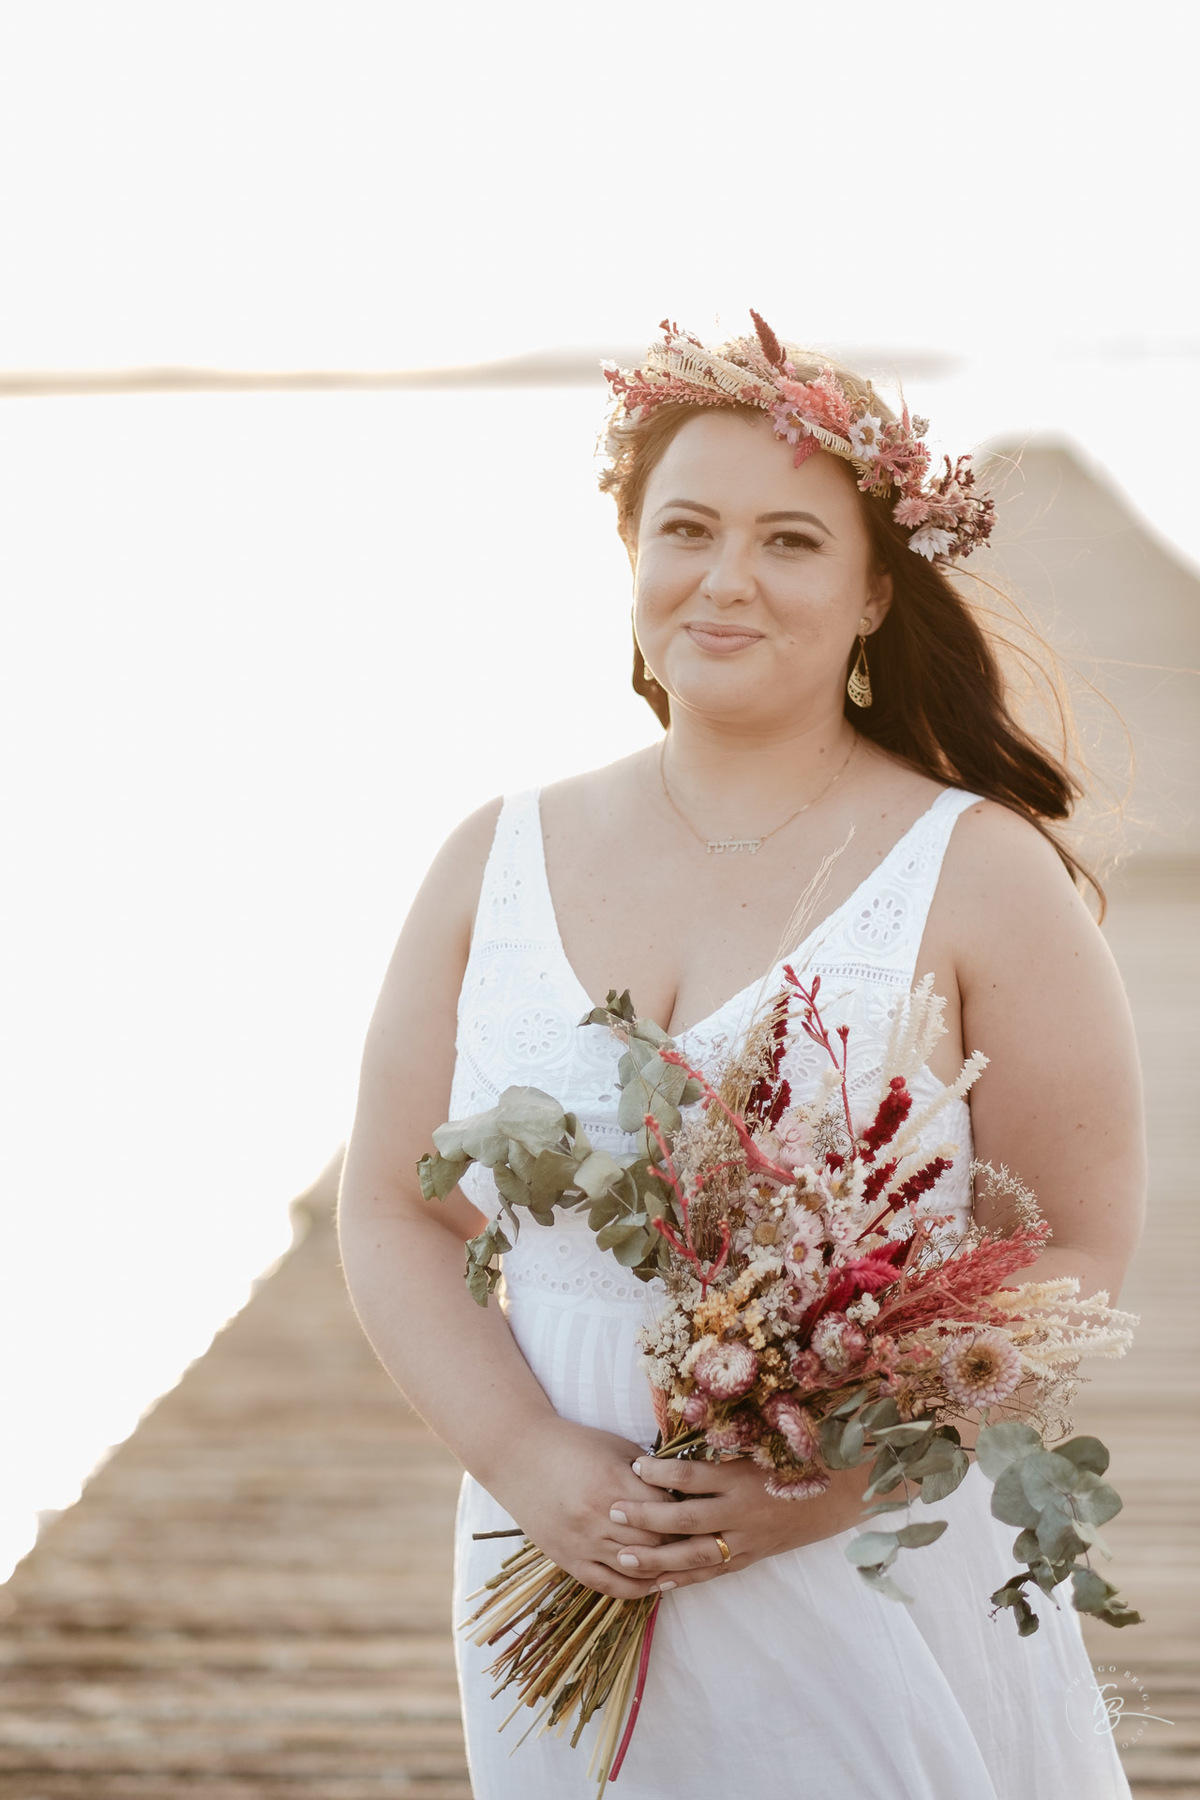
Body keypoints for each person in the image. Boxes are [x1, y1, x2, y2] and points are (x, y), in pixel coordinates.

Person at [337, 315, 1146, 1798]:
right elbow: (393, 1204)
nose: (725, 579)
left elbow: (1076, 1246)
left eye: (788, 541)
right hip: (556, 1536)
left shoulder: (977, 872)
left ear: (871, 594)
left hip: (864, 1553)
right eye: (686, 529)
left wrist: (816, 1485)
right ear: (632, 556)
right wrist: (527, 1458)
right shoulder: (489, 859)